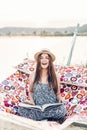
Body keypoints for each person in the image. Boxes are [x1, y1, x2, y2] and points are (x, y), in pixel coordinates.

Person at [18, 49, 67, 123]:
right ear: (39, 61)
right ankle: (49, 118)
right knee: (21, 110)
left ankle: (43, 117)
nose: (44, 60)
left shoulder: (56, 76)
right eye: (41, 58)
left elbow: (58, 93)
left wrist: (61, 99)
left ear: (49, 61)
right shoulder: (33, 75)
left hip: (52, 107)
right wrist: (31, 102)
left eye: (47, 58)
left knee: (62, 110)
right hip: (37, 107)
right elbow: (31, 91)